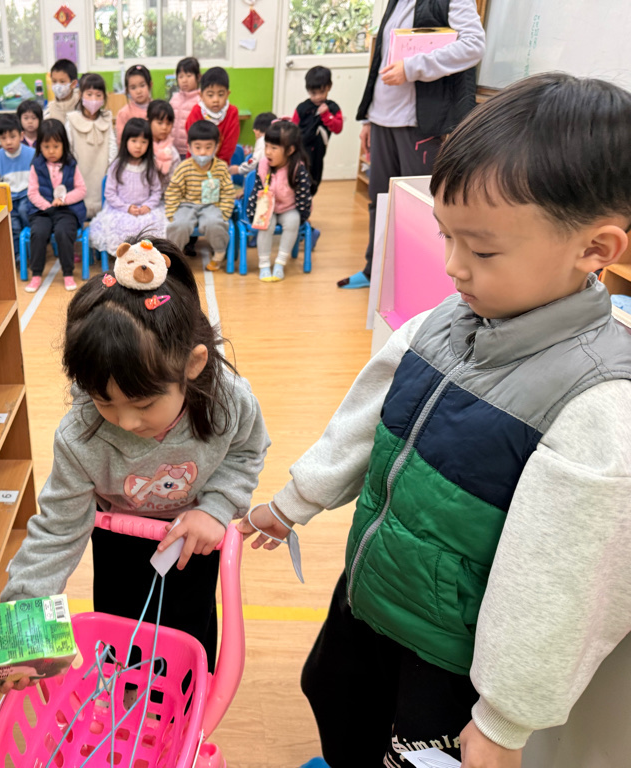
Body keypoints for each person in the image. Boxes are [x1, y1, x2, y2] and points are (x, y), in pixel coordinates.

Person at [242, 73, 631, 768]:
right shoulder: (447, 320)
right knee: (332, 693)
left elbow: (562, 583)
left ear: (595, 250)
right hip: (372, 591)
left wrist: (505, 718)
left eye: (482, 251)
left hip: (448, 656)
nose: (453, 267)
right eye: (447, 237)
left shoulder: (596, 403)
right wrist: (294, 502)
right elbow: (366, 419)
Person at [1, 238, 270, 673]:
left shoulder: (227, 402)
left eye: (143, 404)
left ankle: (183, 694)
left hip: (193, 536)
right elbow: (57, 530)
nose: (125, 422)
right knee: (121, 632)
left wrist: (217, 508)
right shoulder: (81, 435)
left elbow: (245, 451)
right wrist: (22, 622)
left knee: (188, 633)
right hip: (117, 537)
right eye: (105, 402)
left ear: (193, 364)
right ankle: (124, 689)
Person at [341, 0, 485, 290]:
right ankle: (374, 270)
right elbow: (382, 59)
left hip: (418, 123)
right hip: (382, 120)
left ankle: (418, 284)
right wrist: (368, 118)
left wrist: (412, 68)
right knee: (380, 201)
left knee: (421, 208)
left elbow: (473, 46)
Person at [243, 121, 312, 283]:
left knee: (293, 221)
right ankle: (264, 265)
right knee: (266, 225)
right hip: (268, 208)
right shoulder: (263, 166)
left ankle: (280, 263)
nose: (268, 151)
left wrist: (302, 217)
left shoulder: (297, 169)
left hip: (288, 208)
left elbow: (304, 196)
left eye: (274, 148)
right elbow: (256, 191)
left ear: (290, 150)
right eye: (266, 146)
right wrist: (254, 215)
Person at [24, 119, 86, 293]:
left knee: (63, 232)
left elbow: (81, 190)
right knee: (39, 232)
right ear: (39, 146)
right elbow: (32, 192)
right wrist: (47, 206)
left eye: (56, 146)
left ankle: (68, 273)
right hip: (42, 211)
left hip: (66, 210)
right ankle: (36, 275)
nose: (51, 151)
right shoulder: (36, 165)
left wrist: (64, 199)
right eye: (46, 147)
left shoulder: (71, 164)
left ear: (64, 145)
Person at [90, 118, 165, 256]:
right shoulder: (117, 166)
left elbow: (156, 191)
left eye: (144, 142)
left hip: (145, 210)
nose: (138, 146)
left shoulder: (150, 166)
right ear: (125, 141)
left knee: (153, 227)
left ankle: (146, 259)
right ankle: (126, 258)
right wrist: (127, 207)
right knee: (120, 226)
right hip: (121, 210)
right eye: (134, 141)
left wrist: (148, 206)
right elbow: (110, 193)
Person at [165, 121, 235, 267]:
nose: (203, 152)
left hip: (212, 206)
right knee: (179, 225)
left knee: (214, 223)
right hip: (186, 205)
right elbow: (173, 190)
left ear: (216, 147)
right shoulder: (184, 167)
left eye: (208, 147)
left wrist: (224, 213)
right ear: (189, 147)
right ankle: (174, 255)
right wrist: (171, 213)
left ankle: (219, 253)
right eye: (198, 147)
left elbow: (228, 192)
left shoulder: (221, 167)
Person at [65, 72, 117, 219]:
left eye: (98, 95)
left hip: (101, 173)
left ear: (104, 98)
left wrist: (109, 170)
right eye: (89, 94)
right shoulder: (72, 120)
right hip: (80, 173)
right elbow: (68, 149)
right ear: (81, 95)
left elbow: (113, 148)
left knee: (103, 211)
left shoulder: (106, 119)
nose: (93, 99)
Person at [0, 114, 36, 261]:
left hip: (27, 195)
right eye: (3, 138)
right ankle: (18, 256)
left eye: (12, 137)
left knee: (24, 212)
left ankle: (33, 252)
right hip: (8, 198)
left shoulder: (31, 154)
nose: (8, 142)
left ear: (21, 136)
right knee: (13, 226)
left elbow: (38, 179)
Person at [291, 66, 343, 192]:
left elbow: (338, 128)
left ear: (329, 87)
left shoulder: (332, 108)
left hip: (318, 154)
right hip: (300, 152)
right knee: (297, 179)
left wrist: (326, 115)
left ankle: (308, 201)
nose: (318, 97)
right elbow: (293, 128)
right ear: (308, 90)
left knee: (314, 181)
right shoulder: (302, 108)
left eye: (322, 92)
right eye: (313, 93)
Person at [185, 67, 240, 165]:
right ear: (201, 95)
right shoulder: (196, 111)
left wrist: (217, 166)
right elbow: (191, 140)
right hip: (195, 162)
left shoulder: (232, 113)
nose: (216, 100)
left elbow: (229, 145)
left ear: (227, 94)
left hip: (220, 164)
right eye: (210, 95)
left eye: (221, 94)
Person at [170, 57, 200, 157]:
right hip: (172, 150)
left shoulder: (200, 101)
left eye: (189, 76)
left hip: (191, 152)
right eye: (181, 76)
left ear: (198, 77)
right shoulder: (174, 98)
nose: (184, 80)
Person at [148, 100, 181, 191]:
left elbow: (176, 180)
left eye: (168, 124)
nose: (164, 127)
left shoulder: (172, 152)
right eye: (160, 123)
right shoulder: (143, 147)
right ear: (149, 121)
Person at [116, 65, 153, 139]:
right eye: (133, 88)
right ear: (127, 91)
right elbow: (121, 140)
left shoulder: (159, 109)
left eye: (142, 85)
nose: (138, 91)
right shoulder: (124, 113)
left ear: (150, 85)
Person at [47, 59, 80, 123]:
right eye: (54, 81)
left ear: (73, 84)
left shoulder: (82, 105)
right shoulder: (50, 110)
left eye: (62, 82)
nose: (57, 86)